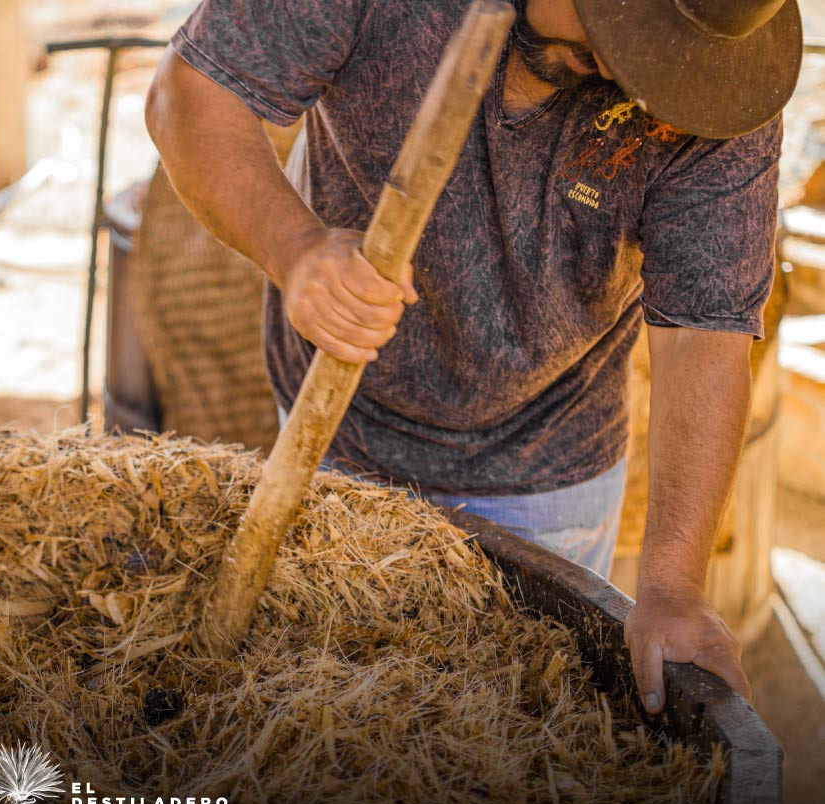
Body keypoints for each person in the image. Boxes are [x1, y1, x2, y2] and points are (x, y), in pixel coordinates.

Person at [144, 0, 802, 714]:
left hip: (548, 468)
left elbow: (704, 337)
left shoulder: (717, 82)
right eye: (625, 35)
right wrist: (296, 253)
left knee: (503, 743)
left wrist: (673, 586)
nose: (628, 73)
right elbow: (193, 95)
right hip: (336, 422)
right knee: (316, 709)